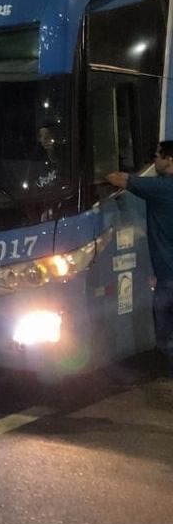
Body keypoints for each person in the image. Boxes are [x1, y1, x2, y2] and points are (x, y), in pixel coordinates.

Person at [107, 141, 173, 375]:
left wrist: (101, 167)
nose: (154, 161)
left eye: (156, 156)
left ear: (169, 160)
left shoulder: (161, 187)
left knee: (165, 339)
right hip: (166, 278)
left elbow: (118, 178)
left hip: (169, 281)